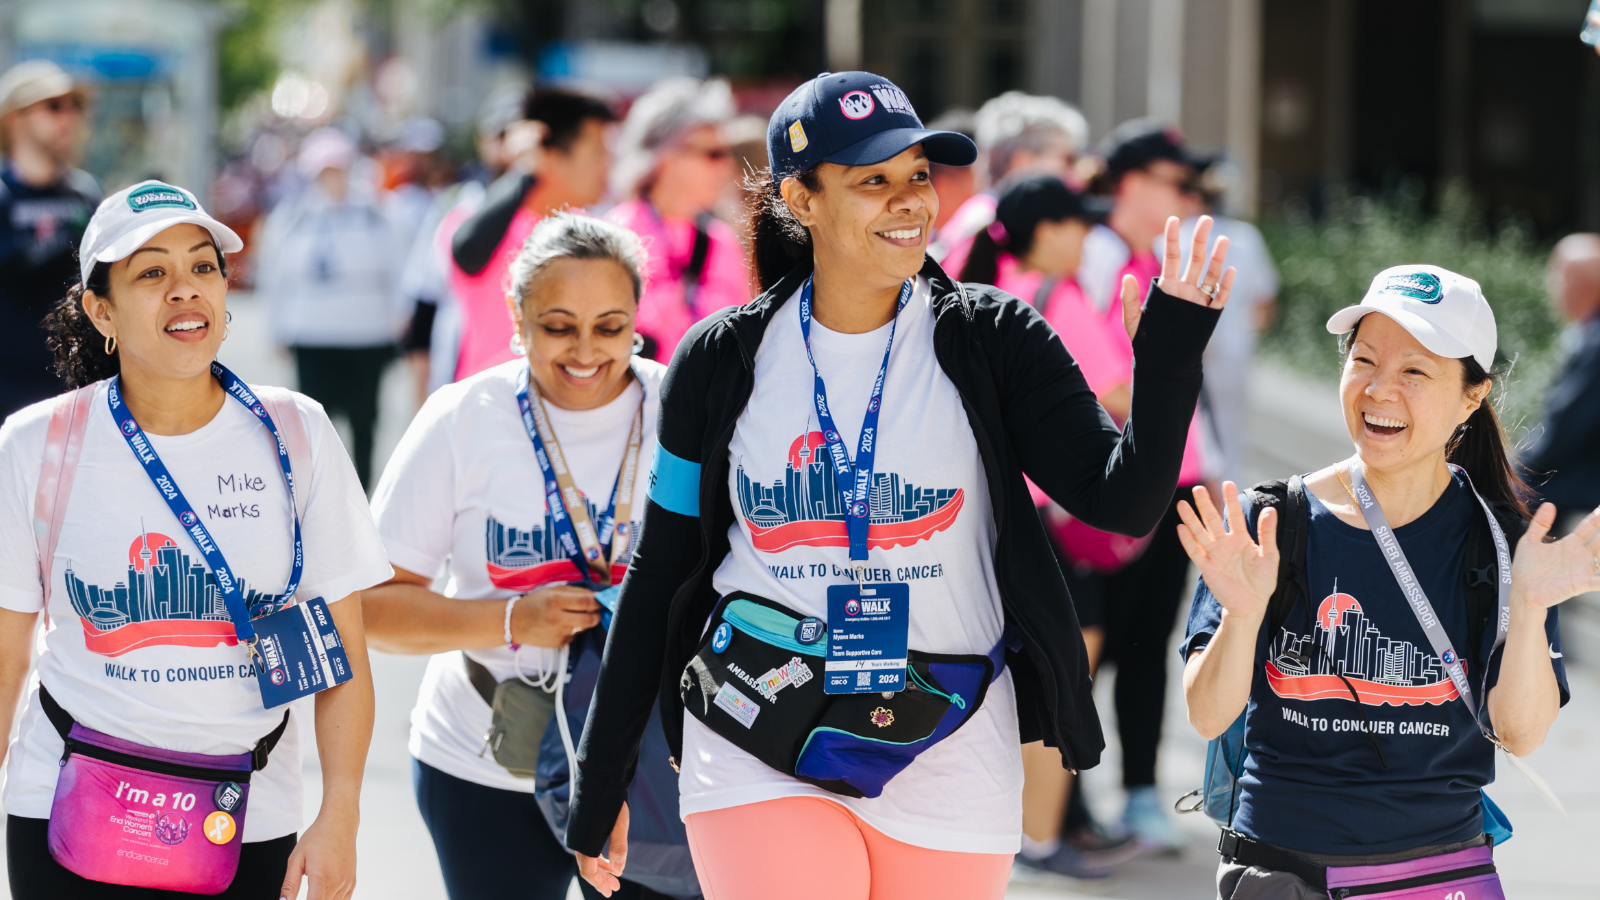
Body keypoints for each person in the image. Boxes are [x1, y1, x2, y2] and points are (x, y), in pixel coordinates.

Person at [566, 70, 1232, 900]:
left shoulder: (996, 339)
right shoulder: (718, 360)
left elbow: (1122, 502)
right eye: (872, 181)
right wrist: (601, 784)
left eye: (917, 175)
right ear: (800, 200)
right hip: (756, 728)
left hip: (951, 732)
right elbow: (660, 569)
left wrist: (1168, 361)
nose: (909, 201)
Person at [0, 180, 390, 899]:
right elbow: (5, 653)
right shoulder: (37, 443)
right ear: (101, 309)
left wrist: (340, 814)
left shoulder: (295, 434)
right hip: (63, 802)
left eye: (202, 267)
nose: (185, 290)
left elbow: (345, 656)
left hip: (245, 818)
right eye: (152, 272)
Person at [1179, 265, 1579, 899]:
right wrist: (1243, 614)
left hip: (1436, 872)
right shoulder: (1270, 521)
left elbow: (1521, 734)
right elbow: (1206, 715)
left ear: (1471, 397)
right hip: (1281, 868)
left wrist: (1529, 606)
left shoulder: (1506, 545)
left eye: (1414, 372)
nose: (1379, 390)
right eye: (1364, 360)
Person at [365, 214, 690, 900]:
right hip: (485, 762)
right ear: (518, 316)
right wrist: (511, 620)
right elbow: (371, 609)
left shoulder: (684, 410)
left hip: (651, 763)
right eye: (558, 326)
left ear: (637, 318)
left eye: (610, 326)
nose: (586, 351)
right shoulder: (463, 418)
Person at [958, 174, 1144, 879]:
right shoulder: (1054, 299)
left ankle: (1031, 830)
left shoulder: (987, 287)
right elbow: (1116, 393)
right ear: (1043, 231)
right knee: (1063, 669)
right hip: (1047, 522)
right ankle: (1038, 838)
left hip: (995, 519)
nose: (1087, 236)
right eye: (1074, 223)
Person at [1076, 117, 1219, 852]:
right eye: (1179, 182)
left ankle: (1131, 795)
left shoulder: (1135, 254)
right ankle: (1071, 807)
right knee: (1103, 643)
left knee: (1145, 643)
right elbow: (1096, 382)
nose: (1193, 196)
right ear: (1128, 183)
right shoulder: (1099, 257)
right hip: (1121, 484)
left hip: (1177, 481)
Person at [256, 127, 407, 489]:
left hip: (366, 336)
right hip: (312, 335)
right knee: (312, 423)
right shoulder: (291, 218)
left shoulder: (378, 214)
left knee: (364, 421)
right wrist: (275, 329)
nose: (333, 179)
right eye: (325, 171)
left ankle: (363, 493)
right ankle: (318, 495)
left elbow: (399, 269)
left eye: (338, 169)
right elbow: (274, 277)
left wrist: (399, 318)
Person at [447, 88, 616, 380]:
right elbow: (468, 252)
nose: (607, 165)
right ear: (550, 154)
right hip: (490, 412)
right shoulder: (480, 220)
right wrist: (526, 169)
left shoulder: (593, 232)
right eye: (598, 152)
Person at [605, 78, 750, 362]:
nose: (727, 166)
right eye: (713, 154)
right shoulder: (613, 238)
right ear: (664, 155)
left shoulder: (723, 242)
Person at [0, 59, 98, 423]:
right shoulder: (4, 194)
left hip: (75, 392)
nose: (69, 117)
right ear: (16, 118)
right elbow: (17, 270)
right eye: (54, 106)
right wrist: (82, 237)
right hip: (10, 396)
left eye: (76, 106)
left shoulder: (84, 192)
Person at [1168, 166, 1280, 484]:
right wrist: (1246, 334)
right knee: (1230, 433)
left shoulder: (1173, 235)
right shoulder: (1245, 237)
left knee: (1184, 430)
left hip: (1183, 347)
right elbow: (1265, 299)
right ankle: (1230, 510)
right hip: (1233, 348)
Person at [928, 91, 1088, 273]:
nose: (1075, 177)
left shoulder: (979, 218)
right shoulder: (989, 228)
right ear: (1023, 163)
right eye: (1068, 159)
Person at [1522, 233, 1600, 519]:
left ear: (1578, 282)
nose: (1551, 287)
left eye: (1556, 276)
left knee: (1493, 495)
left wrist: (1510, 468)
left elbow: (1561, 430)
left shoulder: (1596, 343)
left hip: (1586, 484)